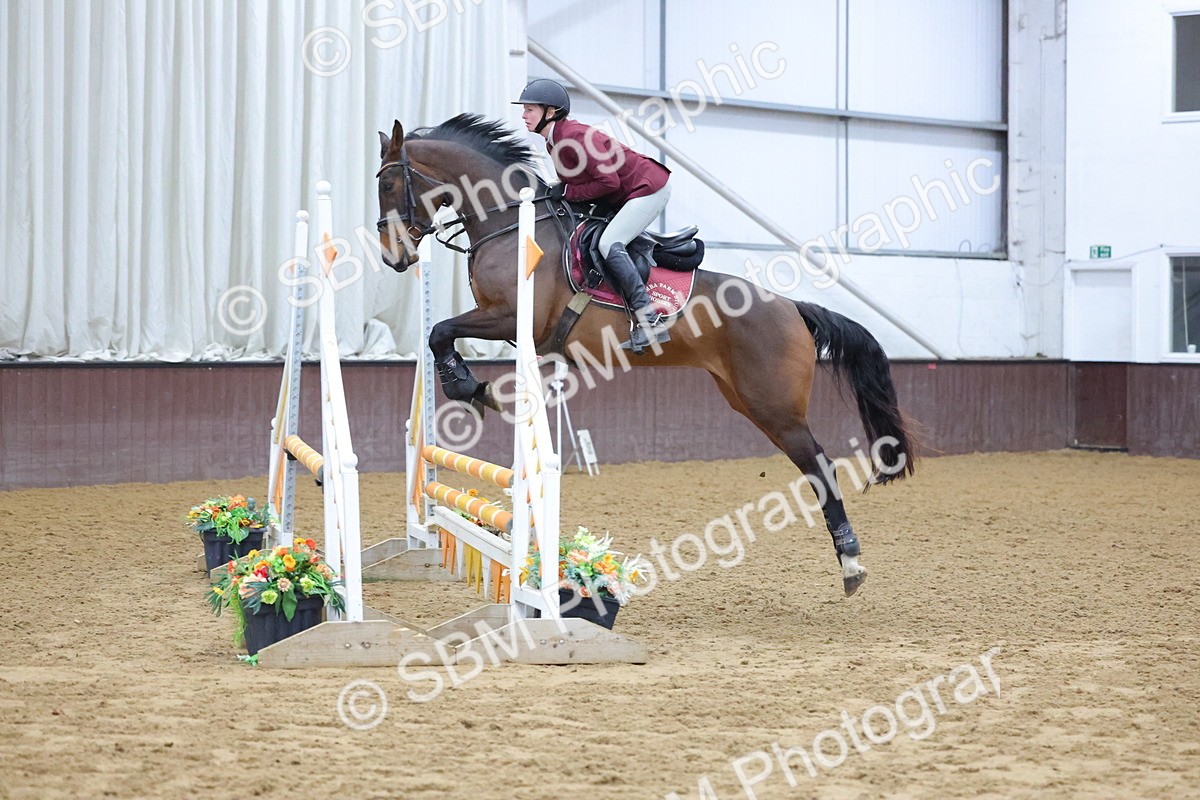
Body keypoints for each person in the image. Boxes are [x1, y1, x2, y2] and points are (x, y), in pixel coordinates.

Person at [514, 78, 672, 353]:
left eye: (530, 109)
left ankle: (649, 319)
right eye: (525, 110)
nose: (524, 115)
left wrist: (566, 192)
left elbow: (608, 182)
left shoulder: (571, 137)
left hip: (647, 187)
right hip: (623, 192)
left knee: (608, 244)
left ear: (550, 112)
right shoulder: (555, 141)